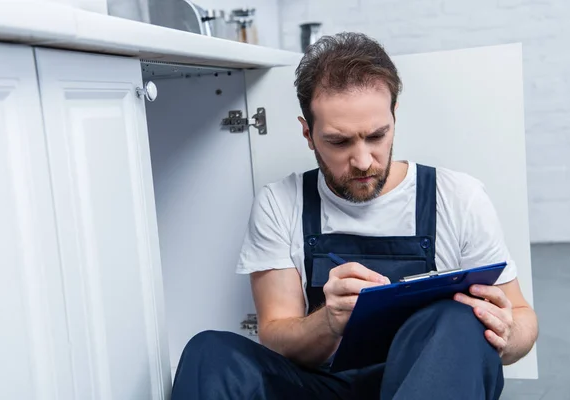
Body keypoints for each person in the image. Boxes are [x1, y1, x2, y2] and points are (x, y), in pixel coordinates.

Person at [170, 32, 538, 400]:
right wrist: (329, 321)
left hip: (429, 381)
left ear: (394, 117)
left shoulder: (458, 197)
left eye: (377, 136)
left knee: (459, 321)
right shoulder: (280, 203)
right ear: (308, 134)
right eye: (339, 141)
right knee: (209, 353)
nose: (363, 161)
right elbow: (277, 336)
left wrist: (505, 333)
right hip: (323, 385)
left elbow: (521, 316)